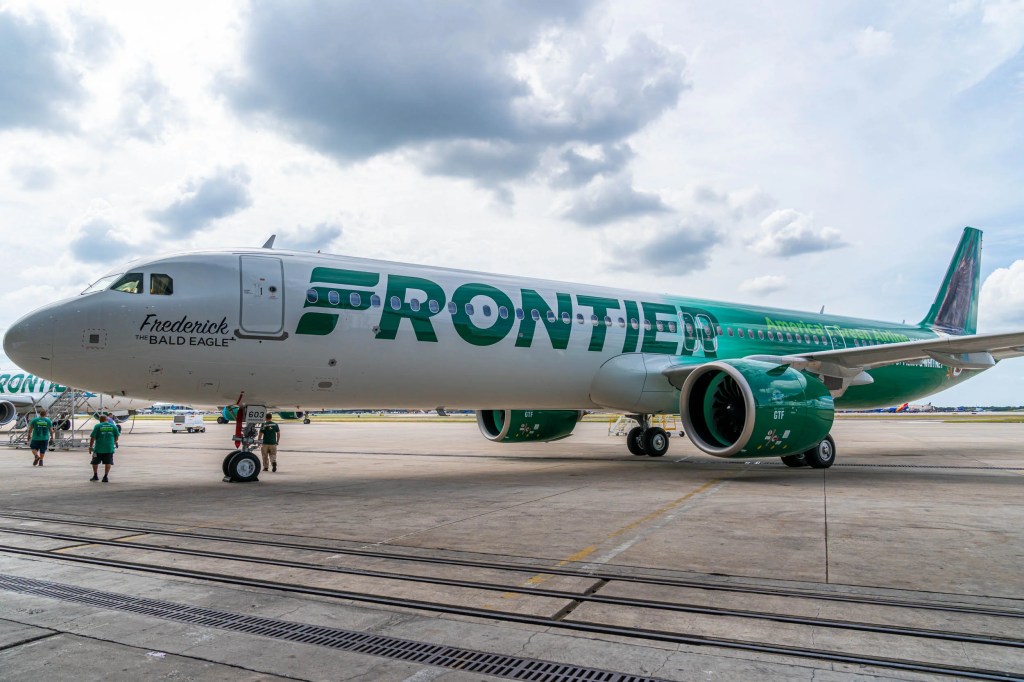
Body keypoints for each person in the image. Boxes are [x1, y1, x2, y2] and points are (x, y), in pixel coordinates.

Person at [88, 414, 120, 482]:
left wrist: (90, 446)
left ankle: (95, 475)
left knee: (95, 462)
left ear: (100, 420)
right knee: (108, 462)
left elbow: (93, 437)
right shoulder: (113, 426)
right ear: (107, 419)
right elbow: (116, 436)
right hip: (109, 448)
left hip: (98, 448)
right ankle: (105, 477)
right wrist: (115, 442)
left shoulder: (97, 426)